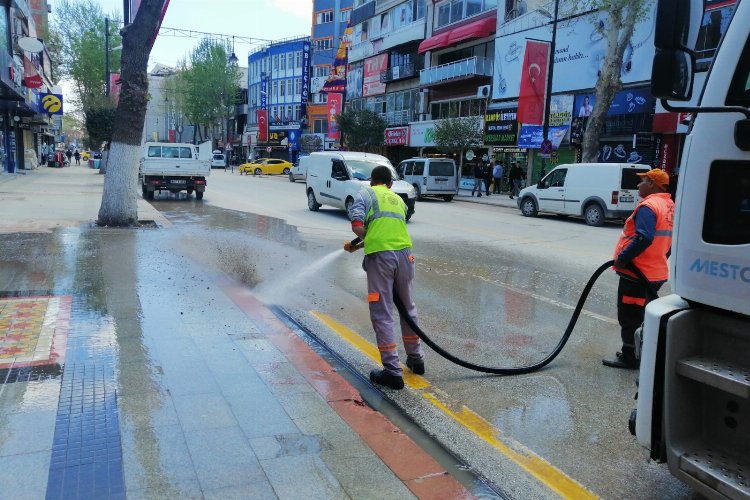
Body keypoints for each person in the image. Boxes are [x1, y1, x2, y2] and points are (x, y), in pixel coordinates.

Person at [345, 165, 425, 390]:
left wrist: (363, 240)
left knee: (382, 312)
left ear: (372, 182)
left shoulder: (366, 194)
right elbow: (388, 228)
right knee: (408, 308)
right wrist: (367, 241)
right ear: (390, 184)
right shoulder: (397, 199)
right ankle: (416, 360)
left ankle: (392, 372)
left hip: (382, 257)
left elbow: (358, 225)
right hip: (405, 255)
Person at [603, 169, 675, 369]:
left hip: (638, 273)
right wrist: (660, 258)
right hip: (654, 272)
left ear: (652, 183)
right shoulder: (668, 205)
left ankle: (630, 357)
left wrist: (623, 259)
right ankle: (638, 351)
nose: (638, 186)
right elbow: (668, 241)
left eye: (642, 181)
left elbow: (644, 237)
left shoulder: (649, 206)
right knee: (642, 315)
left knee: (630, 316)